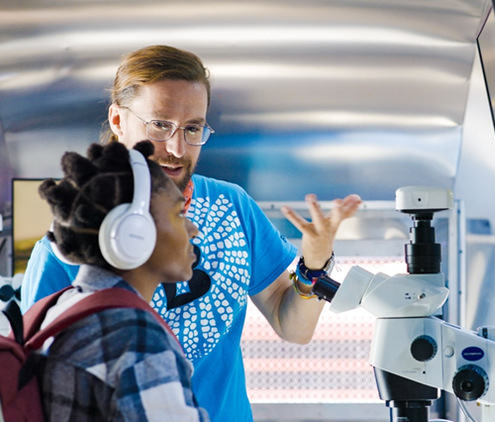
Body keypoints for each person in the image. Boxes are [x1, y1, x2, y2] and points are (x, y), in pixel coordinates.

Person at [21, 45, 362, 421]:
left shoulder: (233, 206)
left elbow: (294, 328)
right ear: (118, 120)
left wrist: (314, 263)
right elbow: (37, 386)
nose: (177, 147)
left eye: (193, 128)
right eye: (159, 125)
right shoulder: (65, 247)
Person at [33, 140, 209, 421]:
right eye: (178, 213)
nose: (193, 229)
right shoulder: (134, 336)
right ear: (134, 231)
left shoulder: (64, 306)